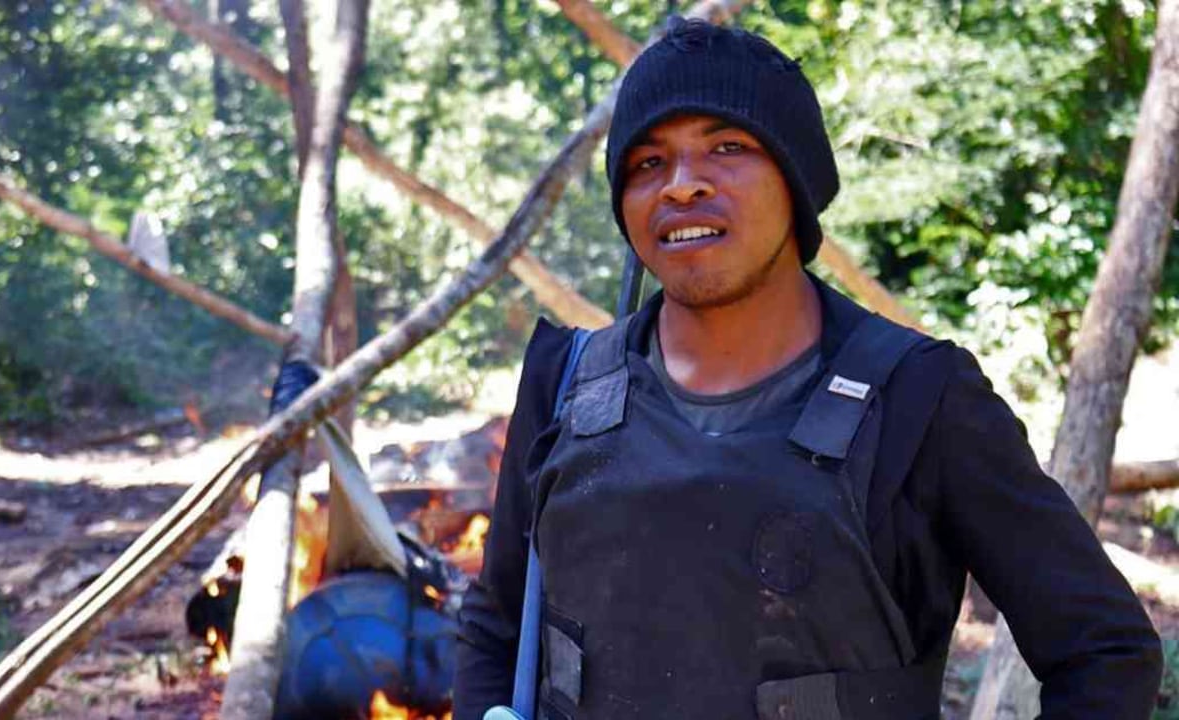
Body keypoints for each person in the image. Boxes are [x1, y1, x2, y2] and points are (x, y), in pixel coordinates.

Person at [453, 17, 1162, 720]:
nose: (681, 186)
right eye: (648, 162)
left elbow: (1105, 653)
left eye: (727, 147)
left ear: (795, 180)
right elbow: (496, 628)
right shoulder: (564, 383)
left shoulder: (921, 401)